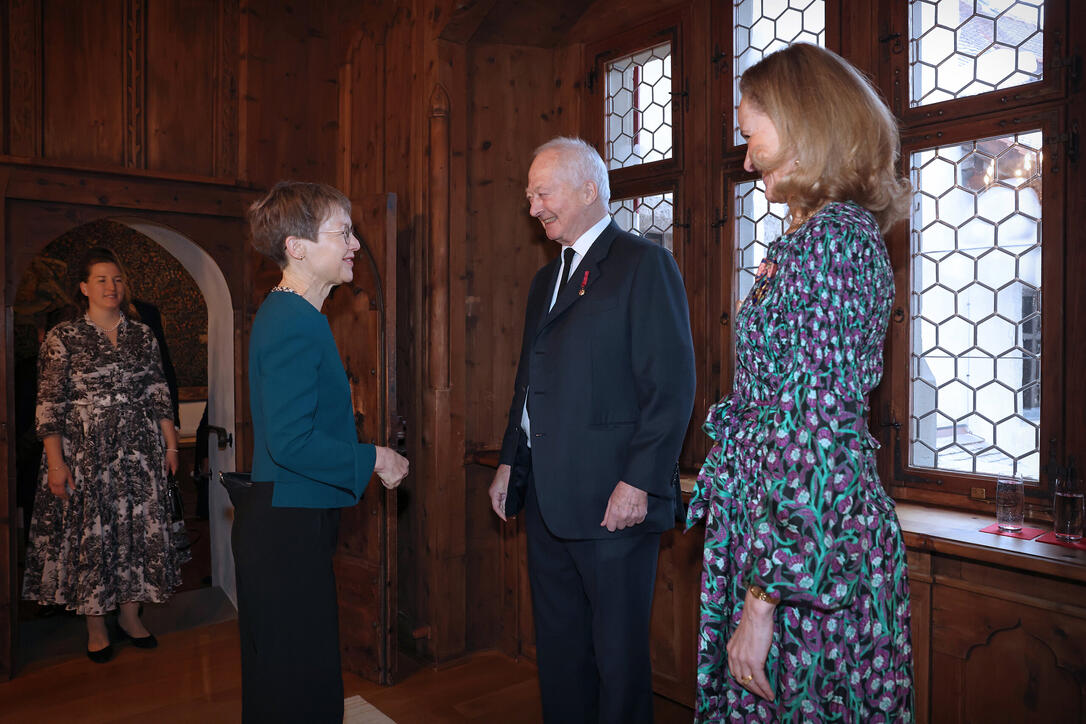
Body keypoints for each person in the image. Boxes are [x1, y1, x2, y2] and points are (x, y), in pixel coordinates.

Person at [686, 43, 914, 721]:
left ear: (805, 124)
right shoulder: (814, 237)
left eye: (751, 135)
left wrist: (762, 600)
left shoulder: (833, 243)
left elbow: (812, 437)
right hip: (786, 547)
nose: (747, 157)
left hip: (805, 567)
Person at [488, 136, 696, 723]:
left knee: (618, 662)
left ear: (587, 188)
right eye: (529, 196)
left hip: (614, 506)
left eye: (542, 192)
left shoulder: (643, 263)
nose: (533, 207)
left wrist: (640, 482)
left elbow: (672, 388)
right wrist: (510, 462)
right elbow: (529, 387)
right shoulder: (542, 283)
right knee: (560, 656)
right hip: (548, 506)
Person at [235, 181, 409, 723]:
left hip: (291, 518)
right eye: (343, 231)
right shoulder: (291, 322)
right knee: (295, 684)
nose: (355, 243)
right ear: (298, 246)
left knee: (293, 678)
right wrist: (375, 457)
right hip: (285, 527)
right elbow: (291, 443)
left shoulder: (297, 315)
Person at [22, 246, 185, 663]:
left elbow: (157, 389)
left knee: (137, 533)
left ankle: (131, 617)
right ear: (84, 287)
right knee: (93, 537)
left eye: (116, 279)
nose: (111, 287)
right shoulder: (64, 336)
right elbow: (49, 403)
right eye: (101, 279)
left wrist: (170, 443)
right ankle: (96, 626)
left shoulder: (141, 333)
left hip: (140, 451)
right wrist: (56, 463)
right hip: (84, 455)